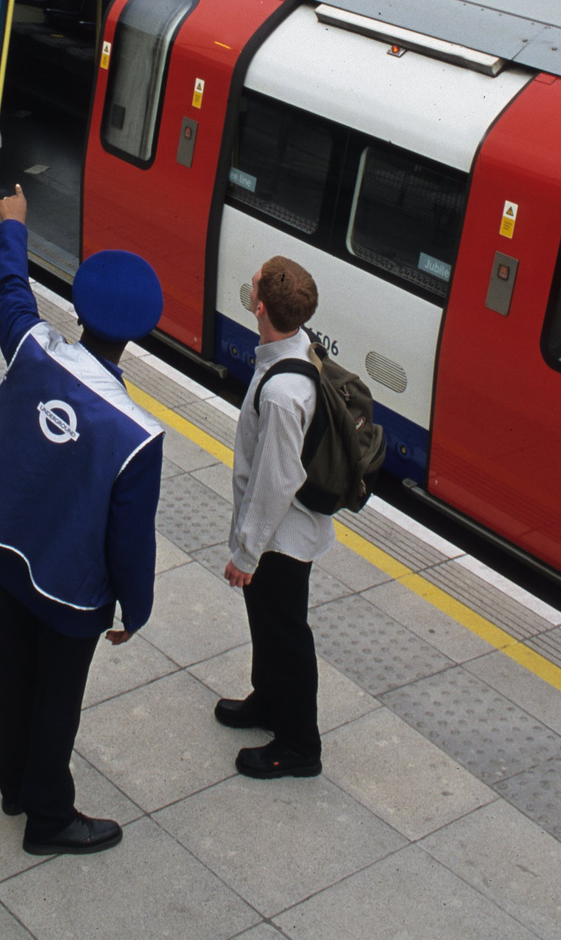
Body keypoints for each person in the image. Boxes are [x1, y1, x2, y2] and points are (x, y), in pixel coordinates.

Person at [0, 184, 164, 856]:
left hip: (9, 542)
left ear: (79, 309)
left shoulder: (33, 348)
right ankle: (48, 815)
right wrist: (135, 607)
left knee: (8, 669)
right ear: (137, 334)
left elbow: (9, 291)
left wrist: (13, 225)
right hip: (71, 587)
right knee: (56, 700)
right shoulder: (137, 432)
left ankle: (11, 781)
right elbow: (129, 538)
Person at [216, 255, 330, 779]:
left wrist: (246, 552)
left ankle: (299, 746)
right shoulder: (290, 351)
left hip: (279, 540)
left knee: (286, 636)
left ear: (258, 307)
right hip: (274, 535)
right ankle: (267, 702)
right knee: (267, 625)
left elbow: (275, 482)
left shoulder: (284, 393)